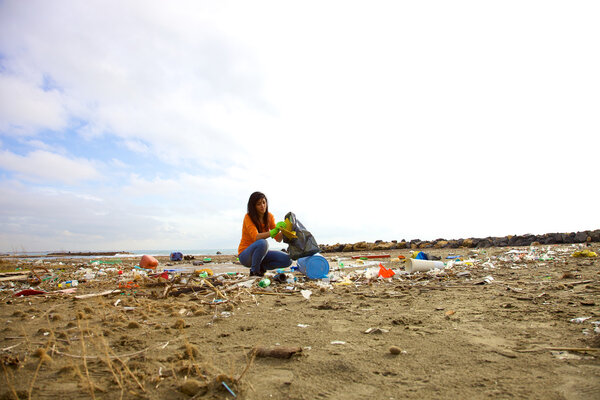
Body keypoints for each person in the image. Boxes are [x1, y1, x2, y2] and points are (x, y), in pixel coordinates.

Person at [238, 191, 292, 276]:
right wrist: (272, 232)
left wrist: (285, 229)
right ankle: (254, 271)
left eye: (264, 202)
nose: (262, 206)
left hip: (261, 254)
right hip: (246, 255)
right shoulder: (248, 217)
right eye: (259, 204)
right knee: (263, 243)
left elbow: (278, 238)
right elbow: (256, 237)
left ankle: (261, 268)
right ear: (253, 206)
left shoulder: (269, 216)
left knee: (288, 260)